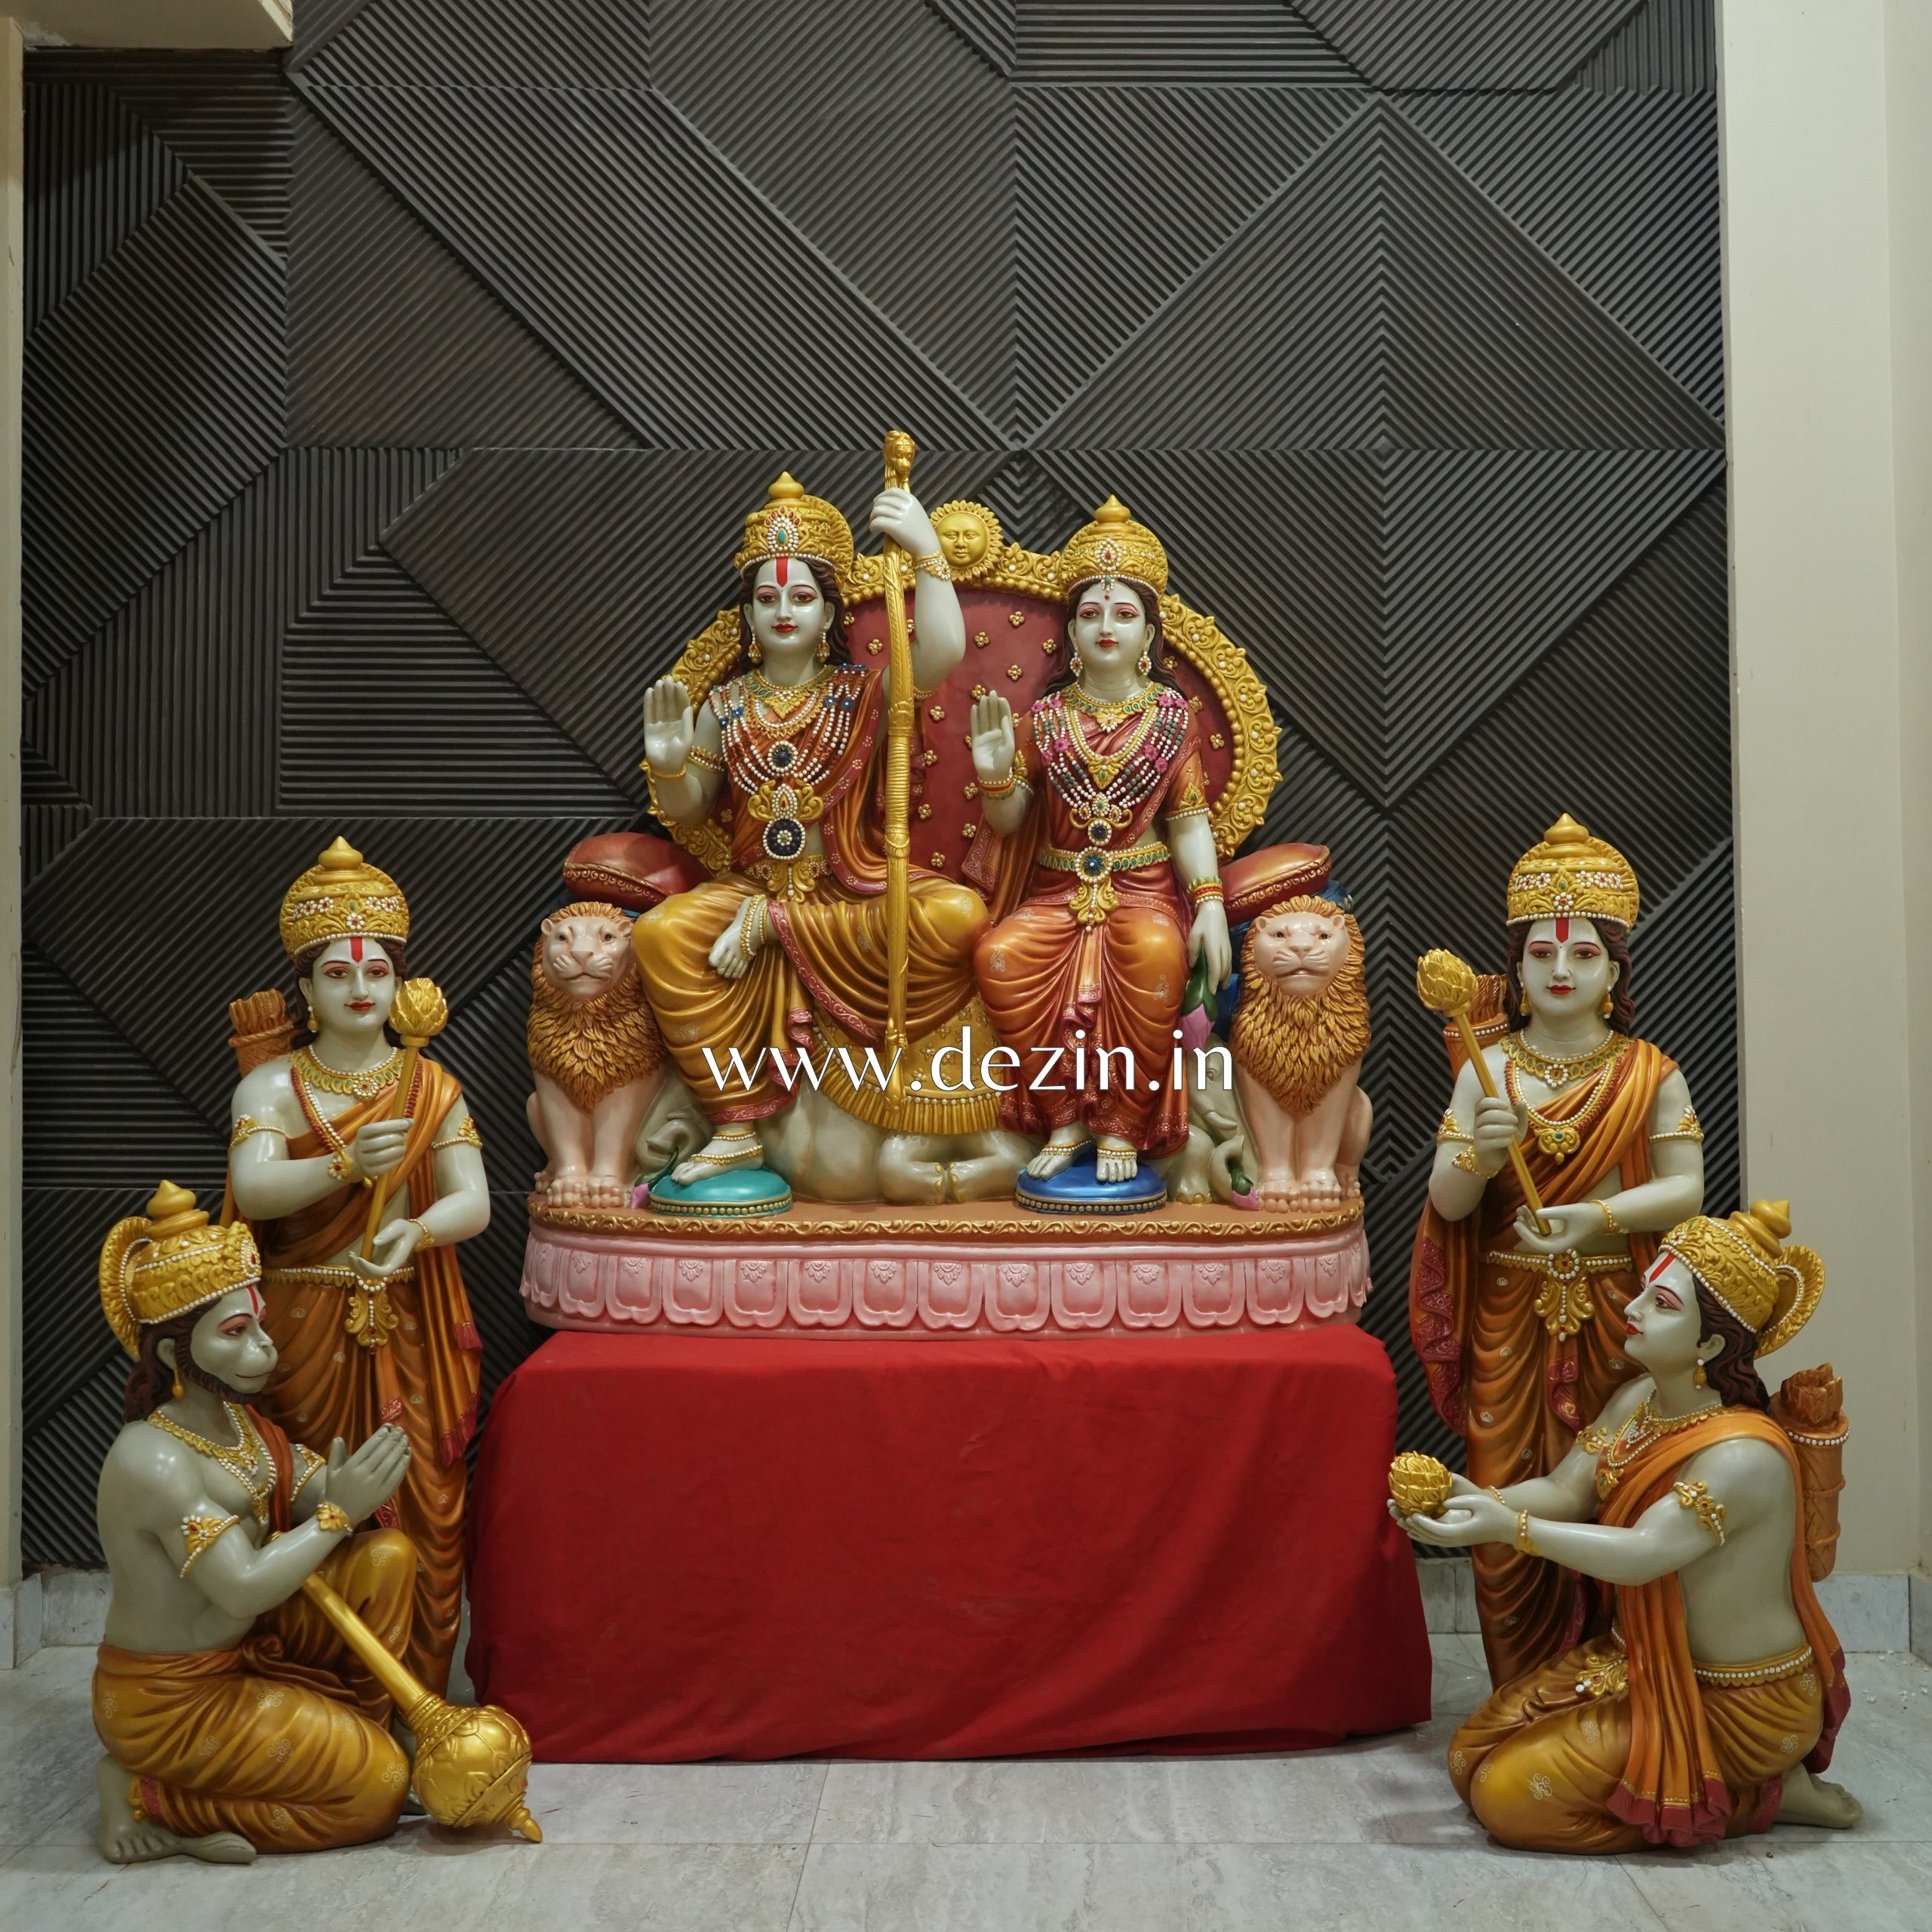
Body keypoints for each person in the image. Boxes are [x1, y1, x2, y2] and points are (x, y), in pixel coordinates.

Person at [1394, 1201, 1860, 1851]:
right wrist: (1476, 1498)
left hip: (1741, 1702)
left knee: (1504, 1796)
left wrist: (1508, 1528)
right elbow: (1566, 1490)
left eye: (1661, 1305)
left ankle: (1765, 1792)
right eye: (1644, 1291)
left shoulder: (1742, 1456)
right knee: (1470, 1754)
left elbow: (1642, 1554)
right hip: (1642, 1660)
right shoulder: (1641, 1401)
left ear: (1710, 1344)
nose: (1633, 1309)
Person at [1410, 814, 1703, 1682]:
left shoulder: (1649, 1071)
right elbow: (1446, 1200)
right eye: (1541, 953)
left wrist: (1592, 1218)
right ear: (1516, 970)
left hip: (1623, 1312)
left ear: (1614, 971)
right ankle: (1519, 1692)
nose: (1561, 969)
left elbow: (1684, 1190)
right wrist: (1482, 1154)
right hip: (1510, 1315)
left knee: (1620, 1489)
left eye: (1583, 953)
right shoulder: (1487, 1071)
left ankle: (1615, 1683)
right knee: (1502, 1498)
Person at [634, 473, 990, 1178]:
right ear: (747, 616)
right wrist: (670, 768)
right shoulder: (726, 704)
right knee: (661, 935)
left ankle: (777, 928)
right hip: (751, 887)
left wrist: (926, 552)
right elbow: (692, 807)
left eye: (801, 598)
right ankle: (735, 1125)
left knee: (958, 914)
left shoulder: (861, 694)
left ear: (829, 614)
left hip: (847, 890)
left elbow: (944, 650)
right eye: (767, 600)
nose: (783, 612)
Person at [226, 838, 489, 1691]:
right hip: (296, 1329)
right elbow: (253, 1188)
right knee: (298, 1490)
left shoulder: (429, 1085)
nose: (360, 989)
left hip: (403, 1324)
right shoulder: (272, 1088)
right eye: (336, 975)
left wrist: (417, 1231)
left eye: (377, 971)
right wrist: (343, 1167)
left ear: (401, 984)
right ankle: (306, 1687)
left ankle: (412, 1695)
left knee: (420, 1503)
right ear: (305, 991)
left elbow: (472, 1201)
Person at [92, 1183, 417, 1861]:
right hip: (171, 1700)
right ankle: (145, 1792)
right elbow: (240, 1588)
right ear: (171, 1354)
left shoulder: (238, 1424)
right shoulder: (152, 1460)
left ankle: (356, 1731)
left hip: (245, 1652)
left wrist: (357, 1473)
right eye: (236, 1334)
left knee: (387, 1556)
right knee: (378, 1794)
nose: (264, 1349)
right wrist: (337, 1513)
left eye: (260, 1326)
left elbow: (301, 1485)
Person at [968, 497, 1233, 1186]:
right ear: (1071, 633)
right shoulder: (1046, 718)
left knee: (1155, 957)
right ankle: (1062, 1120)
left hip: (1142, 889)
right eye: (1090, 614)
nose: (1106, 627)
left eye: (1123, 614)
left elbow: (1189, 820)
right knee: (1000, 958)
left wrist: (1207, 903)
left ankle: (1120, 1128)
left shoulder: (1171, 719)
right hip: (1057, 888)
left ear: (1149, 633)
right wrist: (995, 776)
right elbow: (1010, 820)